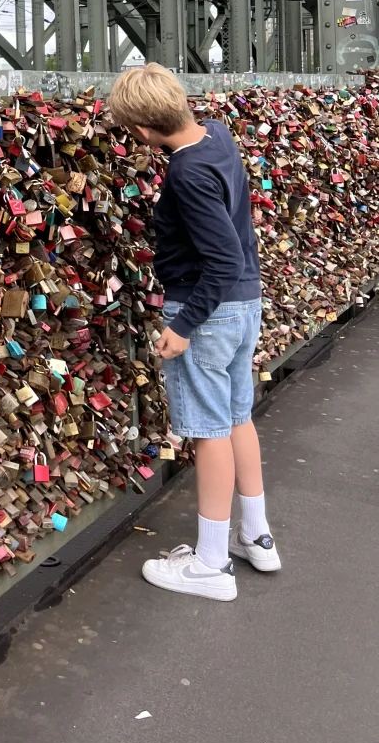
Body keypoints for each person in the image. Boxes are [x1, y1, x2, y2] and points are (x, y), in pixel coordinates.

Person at [108, 63, 281, 602]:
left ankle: (210, 565)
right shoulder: (218, 136)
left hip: (206, 313)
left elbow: (221, 259)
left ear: (141, 131)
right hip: (244, 305)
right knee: (236, 419)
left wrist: (183, 327)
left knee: (208, 432)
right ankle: (257, 536)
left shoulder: (185, 174)